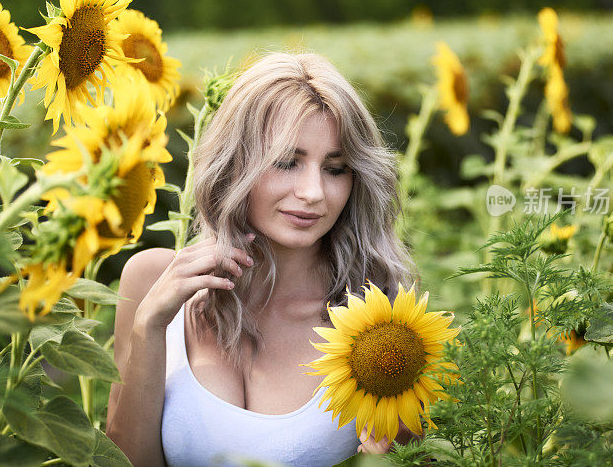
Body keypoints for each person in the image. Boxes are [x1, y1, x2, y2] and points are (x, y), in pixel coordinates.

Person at [106, 52, 422, 466]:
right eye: (287, 162)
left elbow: (419, 455)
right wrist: (149, 326)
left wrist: (389, 457)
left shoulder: (379, 319)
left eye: (336, 168)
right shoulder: (151, 280)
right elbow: (125, 459)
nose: (313, 192)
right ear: (234, 164)